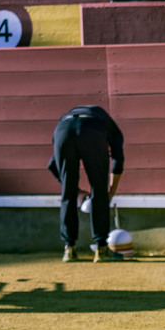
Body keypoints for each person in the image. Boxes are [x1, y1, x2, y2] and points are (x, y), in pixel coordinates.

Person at [46, 105, 125, 262]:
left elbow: (52, 165)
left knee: (67, 192)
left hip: (63, 129)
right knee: (99, 189)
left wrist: (77, 192)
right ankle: (102, 249)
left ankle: (69, 249)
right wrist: (110, 192)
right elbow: (118, 159)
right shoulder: (111, 129)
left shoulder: (69, 121)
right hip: (92, 129)